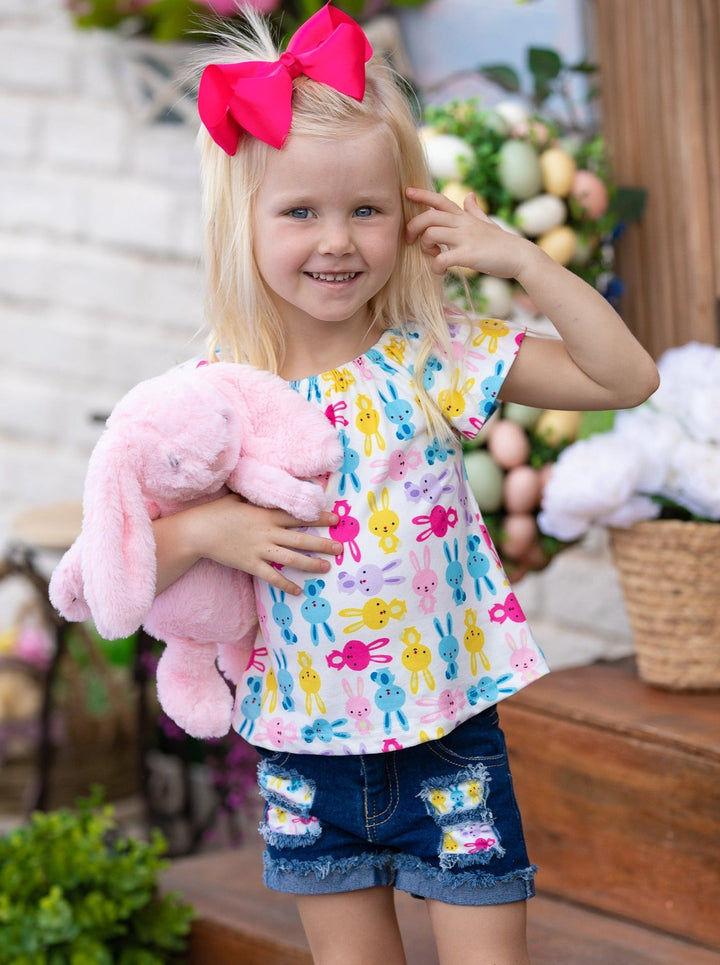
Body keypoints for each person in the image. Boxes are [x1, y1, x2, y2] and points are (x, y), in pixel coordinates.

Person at [153, 6, 659, 963]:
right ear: (243, 222)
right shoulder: (217, 399)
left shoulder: (432, 357)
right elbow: (122, 556)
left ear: (407, 212)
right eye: (300, 211)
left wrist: (521, 260)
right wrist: (207, 534)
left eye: (366, 210)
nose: (336, 240)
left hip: (450, 739)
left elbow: (624, 378)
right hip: (307, 751)